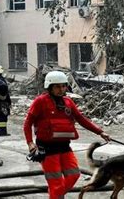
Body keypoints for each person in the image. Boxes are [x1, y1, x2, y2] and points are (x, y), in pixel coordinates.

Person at [23, 71, 111, 199]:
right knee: (56, 183)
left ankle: (55, 195)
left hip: (64, 147)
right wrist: (30, 143)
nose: (61, 89)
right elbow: (27, 123)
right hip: (47, 150)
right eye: (57, 86)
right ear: (50, 87)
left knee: (73, 175)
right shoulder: (40, 101)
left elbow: (81, 119)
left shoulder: (68, 102)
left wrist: (100, 132)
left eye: (63, 86)